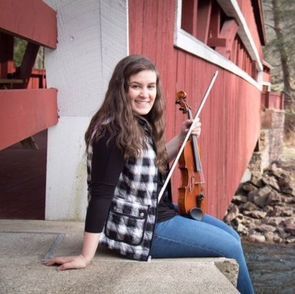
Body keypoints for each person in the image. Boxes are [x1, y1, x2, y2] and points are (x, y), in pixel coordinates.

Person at [43, 55, 254, 293]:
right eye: (136, 86)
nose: (145, 94)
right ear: (121, 89)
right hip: (143, 230)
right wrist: (85, 255)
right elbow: (101, 194)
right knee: (231, 248)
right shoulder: (110, 133)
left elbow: (154, 161)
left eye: (150, 87)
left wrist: (182, 137)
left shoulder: (134, 123)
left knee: (233, 237)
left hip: (158, 213)